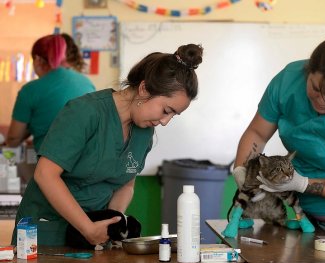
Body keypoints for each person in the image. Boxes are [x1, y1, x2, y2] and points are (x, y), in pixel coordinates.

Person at [11, 43, 203, 247]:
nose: (165, 121)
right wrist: (87, 228)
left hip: (95, 237)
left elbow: (126, 184)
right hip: (48, 230)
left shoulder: (144, 131)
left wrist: (114, 223)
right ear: (144, 88)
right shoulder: (84, 112)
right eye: (166, 110)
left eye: (174, 115)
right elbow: (45, 174)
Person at [233, 19, 325, 253]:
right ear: (307, 71)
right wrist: (241, 169)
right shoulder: (288, 79)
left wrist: (302, 183)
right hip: (296, 215)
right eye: (315, 89)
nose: (322, 101)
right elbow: (257, 132)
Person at [6, 34, 95, 152]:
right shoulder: (86, 83)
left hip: (51, 165)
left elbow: (13, 139)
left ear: (37, 60)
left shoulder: (30, 90)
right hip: (89, 162)